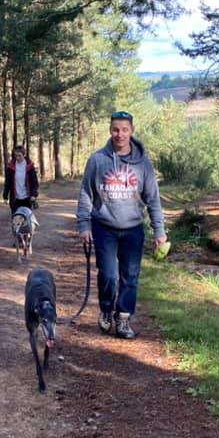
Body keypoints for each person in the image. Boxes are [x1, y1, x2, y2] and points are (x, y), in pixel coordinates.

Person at [76, 111, 167, 339]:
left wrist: (160, 231)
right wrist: (84, 226)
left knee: (130, 276)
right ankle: (107, 310)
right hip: (104, 226)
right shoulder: (97, 160)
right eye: (116, 129)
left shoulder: (144, 164)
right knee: (108, 275)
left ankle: (124, 318)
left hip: (133, 228)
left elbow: (153, 199)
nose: (120, 134)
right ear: (110, 130)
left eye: (125, 130)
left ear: (131, 132)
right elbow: (86, 195)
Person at [3, 145, 39, 214]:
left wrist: (34, 195)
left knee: (27, 221)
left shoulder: (30, 166)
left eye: (19, 155)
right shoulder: (11, 167)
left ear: (24, 154)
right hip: (15, 199)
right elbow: (7, 182)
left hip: (27, 198)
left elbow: (35, 182)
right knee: (16, 221)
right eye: (16, 155)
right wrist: (5, 196)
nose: (17, 158)